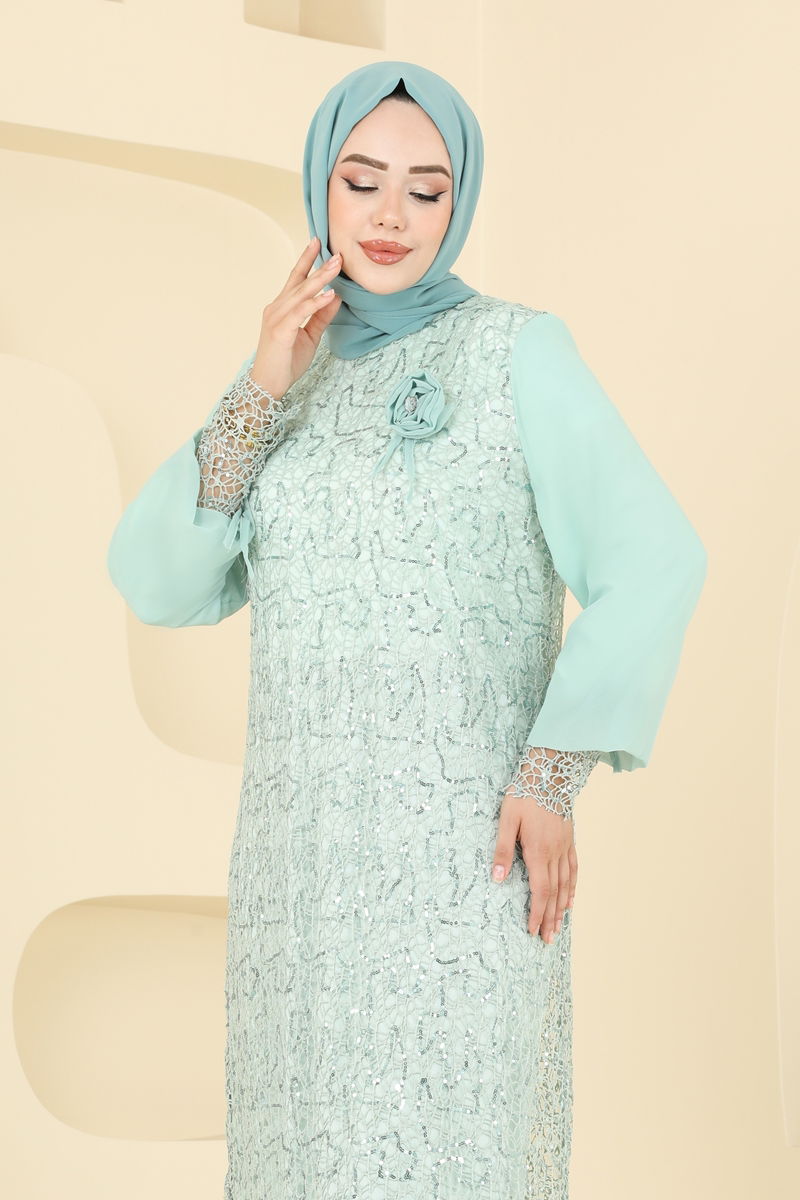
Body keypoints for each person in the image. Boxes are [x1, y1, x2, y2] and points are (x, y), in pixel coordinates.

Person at [106, 60, 707, 1200]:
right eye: (361, 181)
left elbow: (656, 560)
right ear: (319, 190)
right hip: (300, 887)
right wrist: (260, 386)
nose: (390, 215)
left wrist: (552, 773)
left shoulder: (517, 350)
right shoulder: (287, 375)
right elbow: (159, 581)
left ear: (459, 200)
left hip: (462, 869)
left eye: (425, 190)